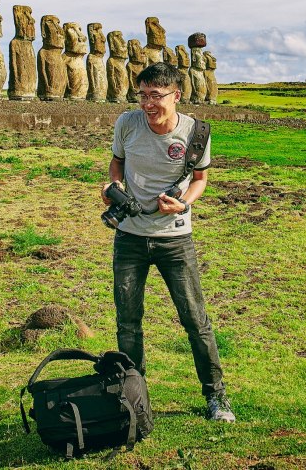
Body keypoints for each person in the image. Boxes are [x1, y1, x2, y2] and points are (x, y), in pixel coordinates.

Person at [101, 62, 235, 422]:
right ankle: (134, 397)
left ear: (176, 95)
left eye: (155, 96)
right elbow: (117, 162)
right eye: (142, 95)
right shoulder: (126, 123)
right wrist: (113, 186)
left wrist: (185, 202)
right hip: (129, 237)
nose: (147, 104)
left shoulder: (196, 133)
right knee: (128, 322)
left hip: (175, 240)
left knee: (195, 320)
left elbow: (200, 179)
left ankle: (216, 396)